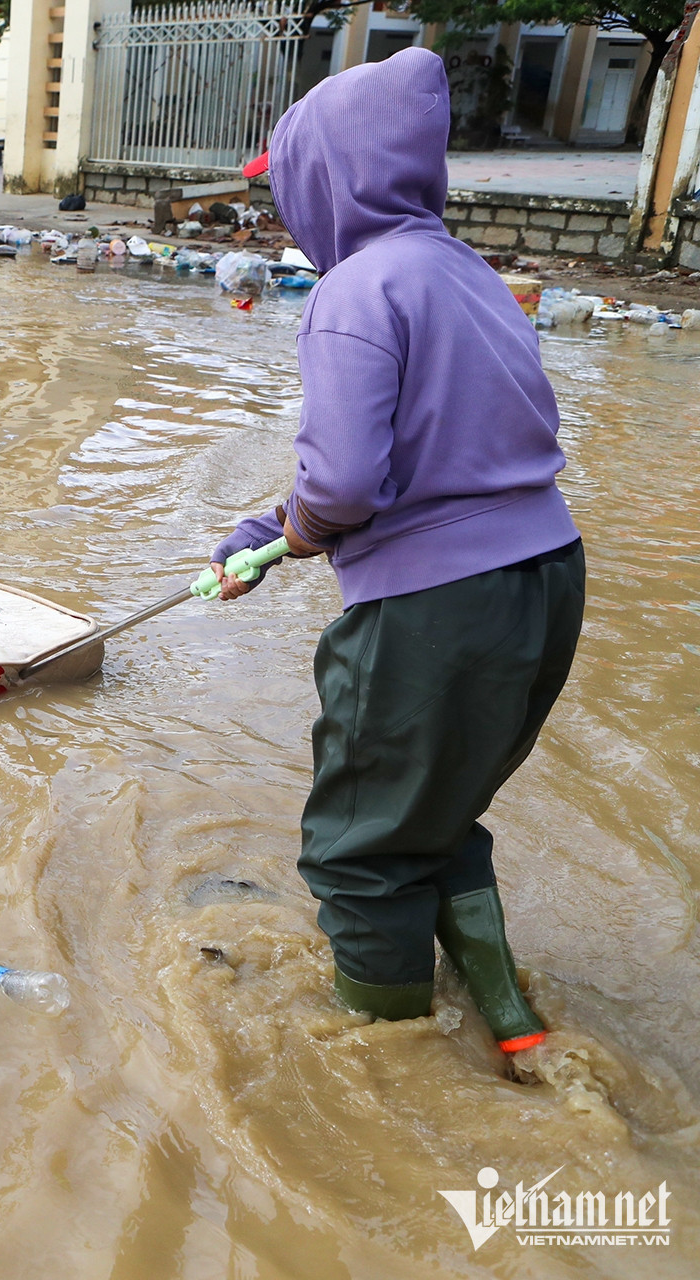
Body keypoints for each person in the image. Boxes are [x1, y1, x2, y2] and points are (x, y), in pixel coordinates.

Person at [209, 47, 581, 1059]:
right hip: (545, 581)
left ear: (327, 177)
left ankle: (394, 1065)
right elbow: (436, 455)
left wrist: (295, 532)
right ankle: (514, 1032)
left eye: (288, 188)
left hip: (437, 612)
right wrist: (267, 532)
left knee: (361, 845)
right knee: (441, 804)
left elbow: (341, 487)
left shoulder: (354, 291)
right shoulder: (465, 275)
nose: (288, 214)